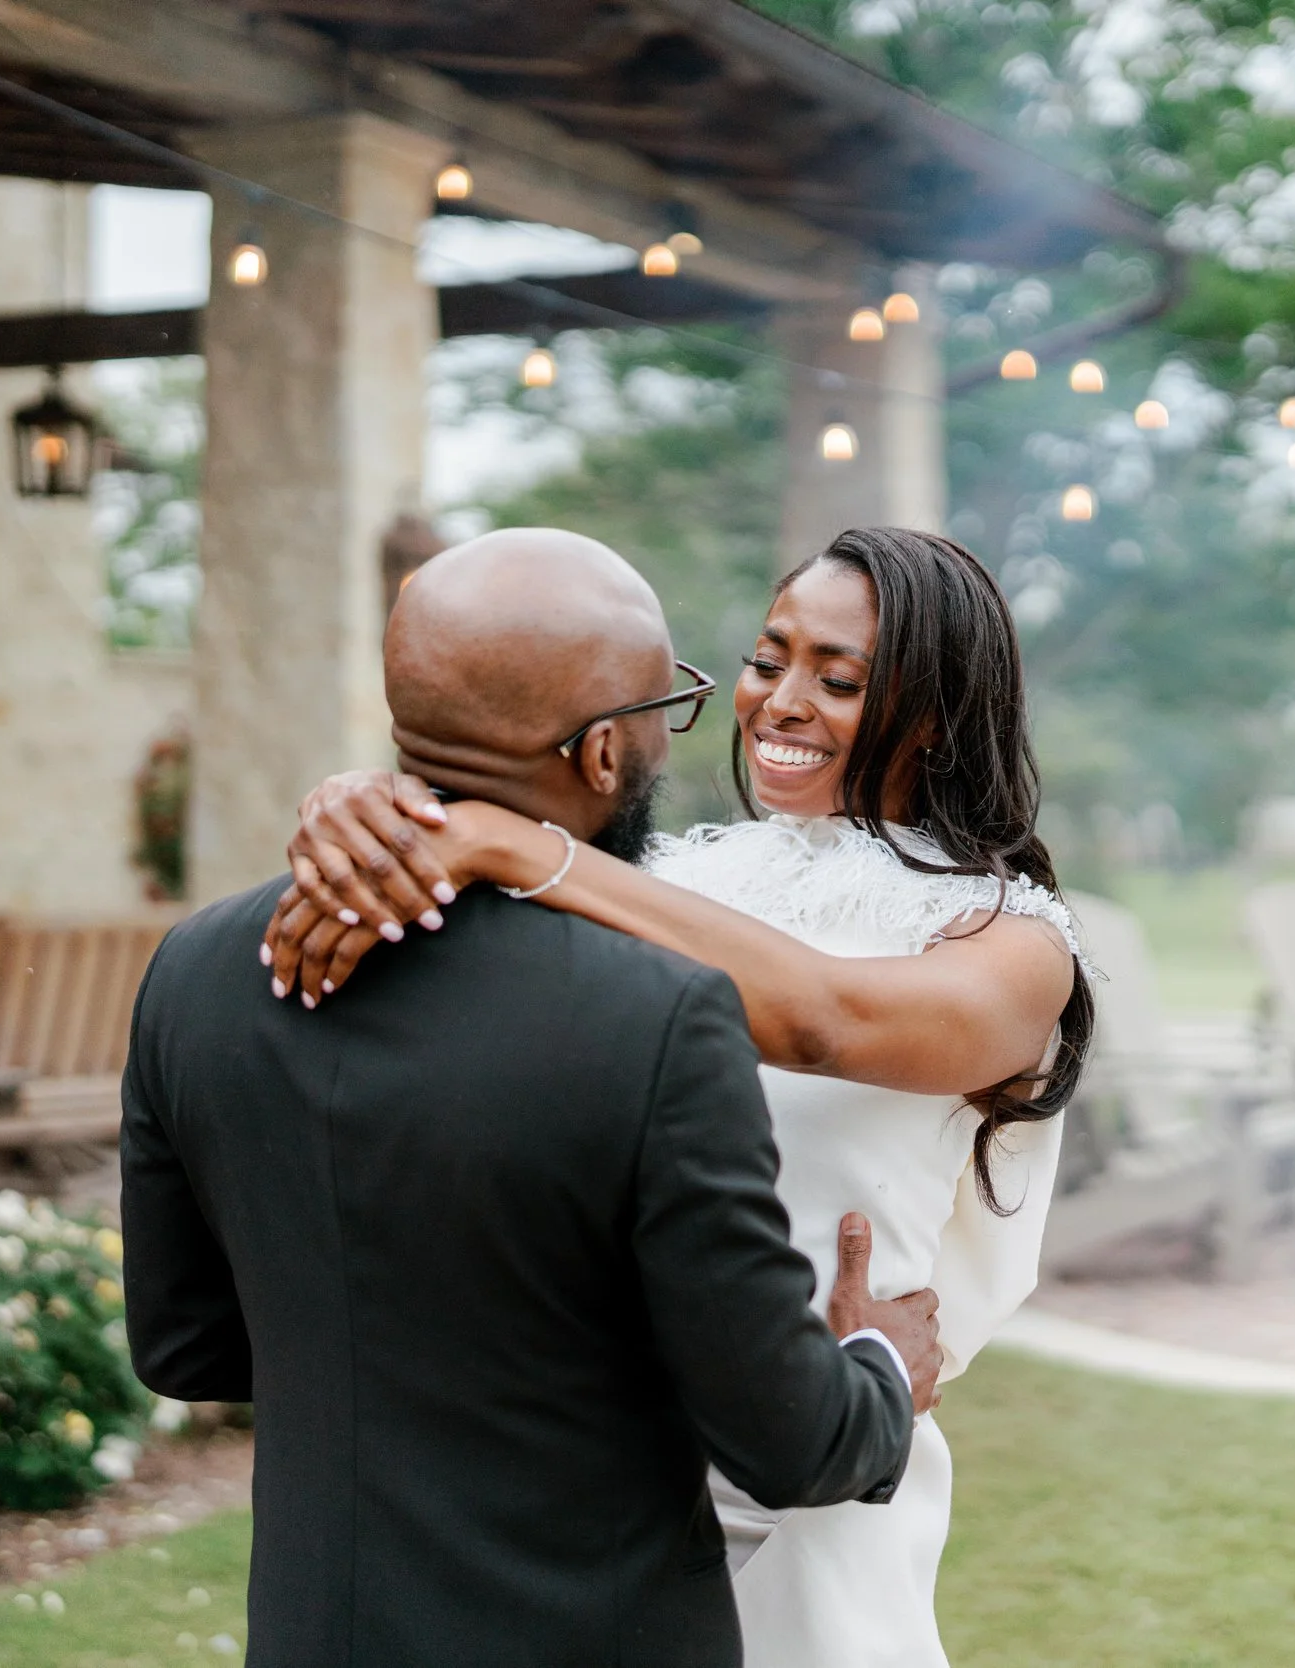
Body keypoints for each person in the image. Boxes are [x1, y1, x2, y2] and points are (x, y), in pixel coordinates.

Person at [264, 525, 1092, 1667]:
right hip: (589, 1468)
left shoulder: (1009, 943)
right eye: (767, 661)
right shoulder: (663, 878)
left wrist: (515, 848)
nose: (780, 703)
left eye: (839, 679)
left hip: (812, 1471)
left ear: (938, 715)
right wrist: (372, 807)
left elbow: (824, 1019)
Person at [123, 528, 943, 1668]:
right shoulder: (659, 1018)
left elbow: (184, 1347)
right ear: (603, 752)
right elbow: (791, 1442)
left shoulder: (197, 970)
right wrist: (882, 1365)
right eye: (667, 707)